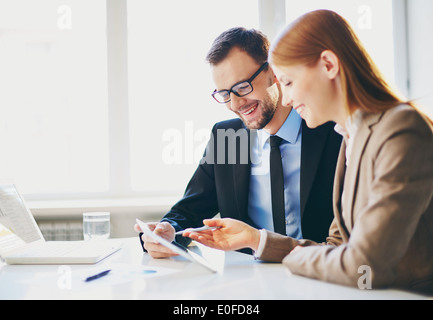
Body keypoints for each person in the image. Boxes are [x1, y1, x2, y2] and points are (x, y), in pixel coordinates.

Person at [184, 10, 433, 295]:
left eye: (288, 82)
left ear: (328, 65)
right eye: (225, 93)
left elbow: (364, 262)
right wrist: (257, 240)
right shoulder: (351, 134)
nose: (286, 98)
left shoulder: (399, 128)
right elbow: (338, 248)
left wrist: (288, 259)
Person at [135, 27, 342, 258]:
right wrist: (167, 231)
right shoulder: (227, 138)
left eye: (243, 87)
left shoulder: (333, 130)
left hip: (321, 272)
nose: (235, 104)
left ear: (273, 72)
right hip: (250, 281)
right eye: (224, 94)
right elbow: (189, 209)